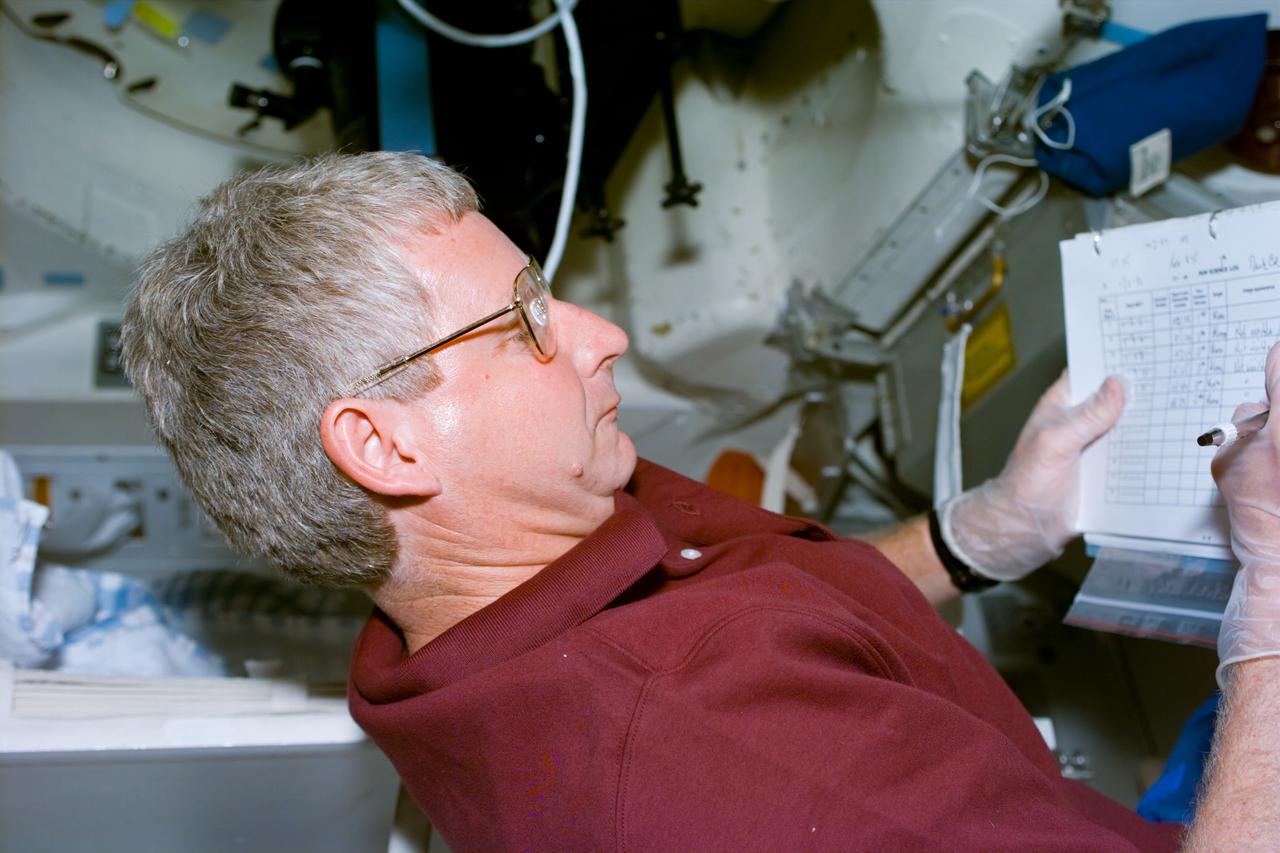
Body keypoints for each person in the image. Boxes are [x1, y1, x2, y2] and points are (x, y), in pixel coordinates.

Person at [119, 151, 1278, 852]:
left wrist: (979, 536)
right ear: (384, 441)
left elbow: (762, 600)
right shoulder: (709, 754)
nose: (601, 336)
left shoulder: (489, 565)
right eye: (522, 320)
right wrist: (1267, 600)